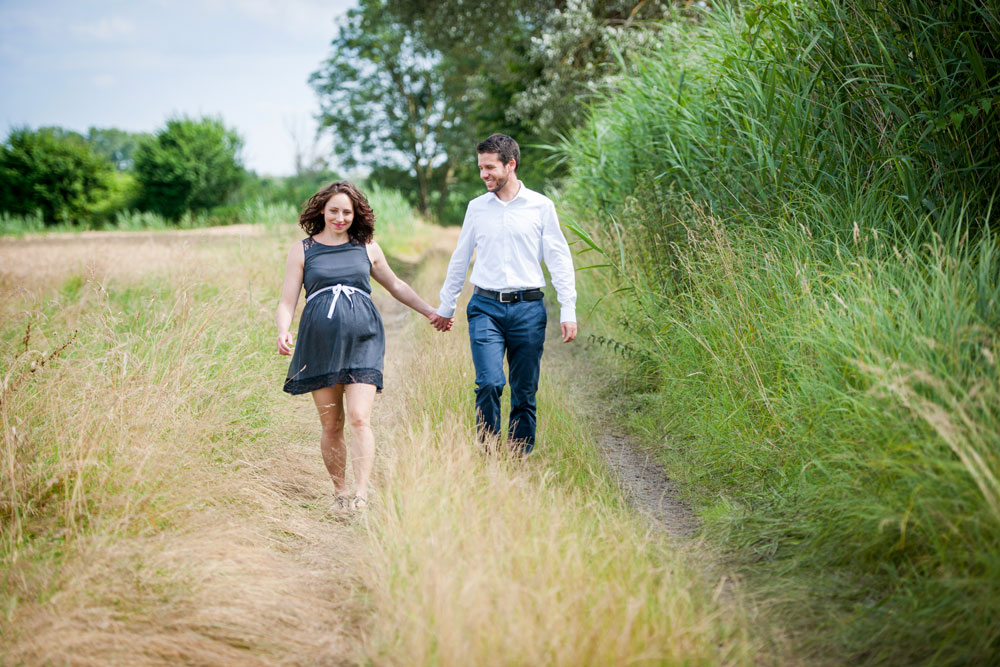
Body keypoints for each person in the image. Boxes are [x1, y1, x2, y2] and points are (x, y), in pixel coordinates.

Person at [277, 181, 442, 511]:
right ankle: (340, 492)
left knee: (359, 417)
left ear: (356, 215)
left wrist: (429, 311)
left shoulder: (367, 246)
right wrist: (282, 330)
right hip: (318, 343)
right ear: (322, 210)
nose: (340, 218)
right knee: (331, 424)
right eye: (334, 211)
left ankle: (361, 494)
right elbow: (287, 301)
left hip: (363, 338)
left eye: (347, 212)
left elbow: (395, 284)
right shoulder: (304, 250)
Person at [429, 133, 577, 455]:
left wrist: (568, 308)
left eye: (490, 167)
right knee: (490, 383)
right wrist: (447, 305)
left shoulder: (541, 206)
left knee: (524, 390)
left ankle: (519, 453)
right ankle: (489, 451)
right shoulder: (476, 208)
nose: (484, 174)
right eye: (481, 168)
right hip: (485, 307)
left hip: (528, 309)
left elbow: (558, 257)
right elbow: (461, 256)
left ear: (510, 164)